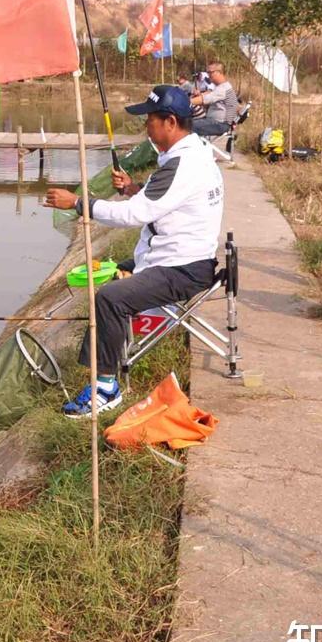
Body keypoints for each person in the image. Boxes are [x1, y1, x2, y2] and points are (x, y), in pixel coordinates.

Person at [43, 85, 224, 417]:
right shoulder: (192, 152)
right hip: (177, 258)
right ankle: (107, 360)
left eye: (150, 120)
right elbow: (161, 203)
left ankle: (106, 389)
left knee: (110, 298)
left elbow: (134, 215)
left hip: (182, 270)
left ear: (169, 121)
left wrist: (80, 203)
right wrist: (133, 189)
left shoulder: (182, 164)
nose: (146, 127)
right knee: (110, 276)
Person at [189, 61, 239, 139]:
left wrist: (186, 101)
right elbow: (208, 96)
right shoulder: (221, 87)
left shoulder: (223, 88)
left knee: (185, 126)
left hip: (220, 124)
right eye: (207, 72)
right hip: (217, 122)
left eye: (210, 72)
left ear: (219, 72)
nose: (208, 75)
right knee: (187, 122)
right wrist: (198, 96)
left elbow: (205, 99)